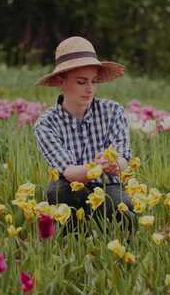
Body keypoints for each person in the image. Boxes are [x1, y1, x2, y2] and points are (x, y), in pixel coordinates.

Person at [33, 36, 135, 234]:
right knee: (57, 191)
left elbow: (124, 158)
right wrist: (95, 167)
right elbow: (69, 172)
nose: (90, 89)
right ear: (62, 82)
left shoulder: (113, 111)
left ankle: (115, 239)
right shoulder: (46, 124)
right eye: (81, 82)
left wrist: (114, 164)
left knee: (122, 205)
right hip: (73, 186)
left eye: (94, 81)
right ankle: (72, 238)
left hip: (108, 184)